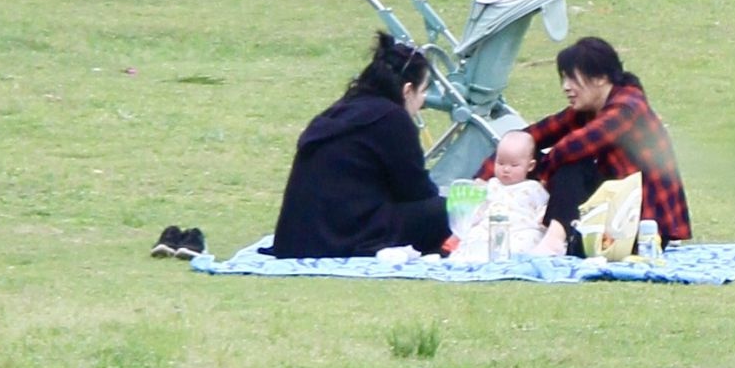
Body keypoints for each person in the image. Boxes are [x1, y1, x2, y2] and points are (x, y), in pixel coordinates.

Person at [272, 40, 457, 259]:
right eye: (423, 91)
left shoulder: (343, 109)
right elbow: (416, 190)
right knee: (448, 211)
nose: (423, 100)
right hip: (343, 235)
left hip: (296, 238)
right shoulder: (393, 118)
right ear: (408, 90)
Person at [527, 38, 693, 247]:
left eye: (572, 78)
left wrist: (543, 173)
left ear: (600, 77)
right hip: (614, 211)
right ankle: (550, 234)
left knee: (571, 163)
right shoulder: (589, 109)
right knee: (522, 157)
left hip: (644, 227)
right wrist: (498, 171)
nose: (566, 87)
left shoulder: (628, 107)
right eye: (564, 79)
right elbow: (529, 137)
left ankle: (555, 240)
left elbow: (573, 147)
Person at [449, 119, 563, 259]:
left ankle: (516, 258)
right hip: (490, 228)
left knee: (530, 238)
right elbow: (479, 209)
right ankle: (471, 258)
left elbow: (545, 208)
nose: (506, 169)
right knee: (474, 236)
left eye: (514, 165)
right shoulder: (491, 185)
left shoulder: (533, 188)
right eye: (500, 163)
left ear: (530, 166)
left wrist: (542, 218)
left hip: (520, 229)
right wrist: (470, 217)